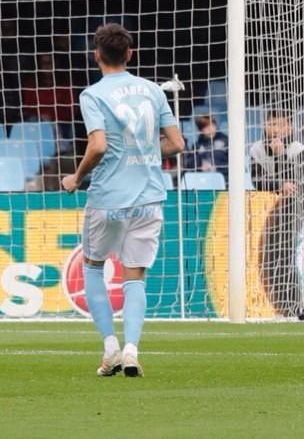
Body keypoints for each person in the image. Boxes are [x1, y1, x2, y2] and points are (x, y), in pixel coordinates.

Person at [61, 24, 185, 377]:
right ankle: (132, 350)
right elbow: (176, 144)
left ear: (96, 55)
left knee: (93, 267)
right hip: (149, 198)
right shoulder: (152, 90)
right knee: (135, 278)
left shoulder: (93, 94)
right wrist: (145, 151)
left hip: (108, 198)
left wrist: (76, 177)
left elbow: (98, 145)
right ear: (130, 54)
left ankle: (110, 349)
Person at [250, 109, 304, 317]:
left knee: (293, 257)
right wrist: (279, 185)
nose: (274, 129)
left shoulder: (297, 148)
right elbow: (257, 181)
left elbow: (297, 181)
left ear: (289, 127)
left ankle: (296, 304)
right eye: (271, 124)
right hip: (266, 210)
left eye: (279, 125)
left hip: (295, 210)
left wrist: (280, 156)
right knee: (270, 257)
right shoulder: (256, 149)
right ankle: (277, 306)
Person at [184, 114, 228, 179]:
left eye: (212, 125)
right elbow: (190, 164)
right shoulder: (197, 146)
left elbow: (233, 162)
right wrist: (201, 163)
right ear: (201, 130)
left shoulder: (226, 141)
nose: (210, 129)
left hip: (224, 178)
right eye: (206, 127)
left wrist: (215, 166)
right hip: (203, 178)